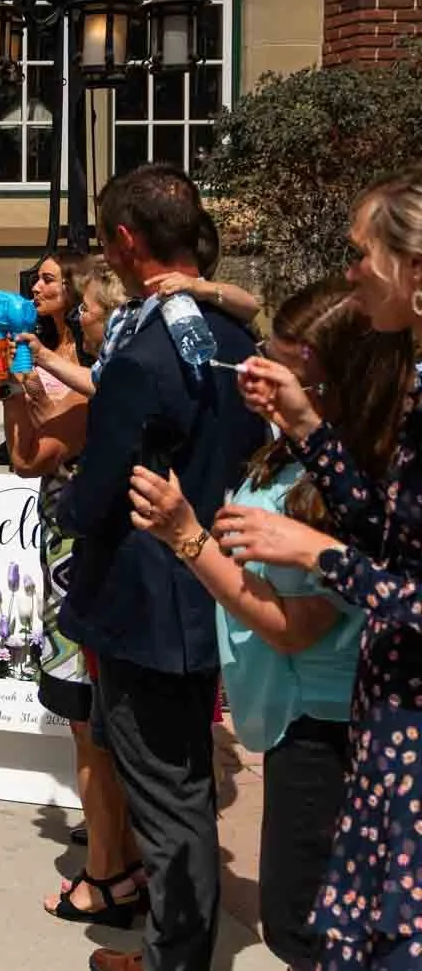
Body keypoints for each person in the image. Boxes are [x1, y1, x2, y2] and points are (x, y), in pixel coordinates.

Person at [129, 278, 410, 968]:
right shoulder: (304, 447)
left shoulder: (350, 482)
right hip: (289, 716)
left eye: (279, 365)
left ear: (330, 381)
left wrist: (187, 536)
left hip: (326, 728)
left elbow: (292, 624)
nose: (255, 375)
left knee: (299, 925)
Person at [54, 164, 267, 971]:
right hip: (212, 579)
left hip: (147, 604)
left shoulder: (144, 349)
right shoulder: (231, 334)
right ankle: (171, 939)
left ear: (128, 242)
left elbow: (100, 487)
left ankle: (175, 956)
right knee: (178, 784)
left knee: (170, 792)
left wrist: (62, 510)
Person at [216, 167, 422, 969]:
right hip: (387, 716)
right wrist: (306, 429)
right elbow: (391, 540)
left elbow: (379, 568)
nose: (347, 271)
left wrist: (320, 553)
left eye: (357, 253)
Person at [3, 257, 145, 928]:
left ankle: (108, 873)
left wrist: (21, 397)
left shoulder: (101, 387)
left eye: (83, 302)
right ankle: (119, 860)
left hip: (82, 562)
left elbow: (31, 457)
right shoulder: (92, 376)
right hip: (68, 555)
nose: (64, 305)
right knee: (91, 726)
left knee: (90, 728)